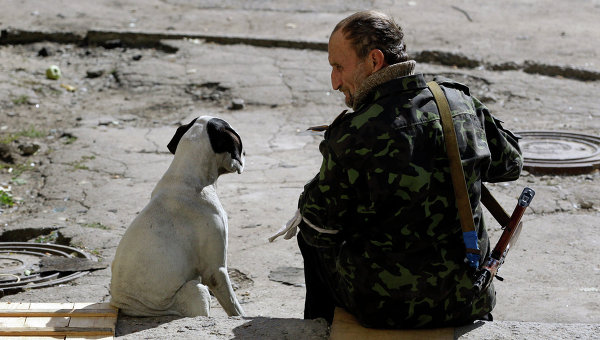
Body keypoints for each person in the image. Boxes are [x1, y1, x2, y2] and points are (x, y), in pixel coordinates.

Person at [270, 10, 523, 328]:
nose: (334, 82)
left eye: (339, 67)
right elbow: (511, 164)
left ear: (374, 61)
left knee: (308, 234)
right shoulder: (458, 104)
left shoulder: (355, 132)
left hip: (385, 308)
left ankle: (321, 330)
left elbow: (319, 224)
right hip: (469, 296)